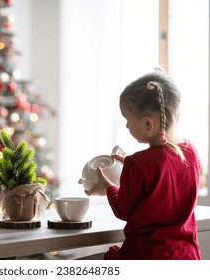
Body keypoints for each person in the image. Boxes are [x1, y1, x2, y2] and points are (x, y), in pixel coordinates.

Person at [86, 69, 202, 260]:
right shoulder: (191, 152)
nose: (126, 126)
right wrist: (131, 169)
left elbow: (123, 210)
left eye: (127, 120)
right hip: (187, 256)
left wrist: (106, 185)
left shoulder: (137, 164)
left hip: (147, 255)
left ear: (148, 124)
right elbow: (166, 180)